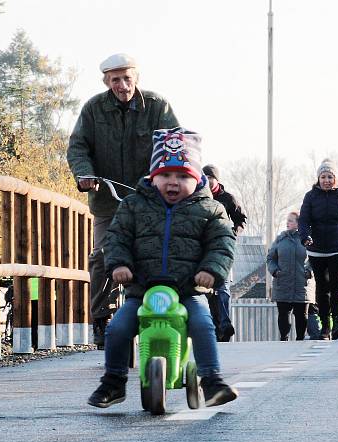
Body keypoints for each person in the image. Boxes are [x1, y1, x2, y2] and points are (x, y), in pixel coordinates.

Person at [87, 127, 238, 409]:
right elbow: (117, 237)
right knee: (118, 328)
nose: (173, 182)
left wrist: (211, 270)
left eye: (182, 176)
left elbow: (222, 243)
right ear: (153, 176)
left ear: (196, 179)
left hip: (186, 290)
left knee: (203, 324)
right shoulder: (134, 206)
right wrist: (119, 265)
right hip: (142, 290)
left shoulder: (210, 209)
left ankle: (212, 380)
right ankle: (113, 381)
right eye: (166, 174)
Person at [66, 53, 179, 347]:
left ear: (136, 78)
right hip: (108, 199)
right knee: (102, 256)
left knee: (156, 253)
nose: (122, 85)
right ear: (106, 81)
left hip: (149, 199)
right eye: (115, 79)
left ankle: (157, 311)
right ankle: (102, 319)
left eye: (127, 78)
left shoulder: (157, 106)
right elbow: (78, 147)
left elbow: (174, 144)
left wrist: (164, 178)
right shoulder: (93, 109)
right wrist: (85, 174)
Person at [298, 159, 338, 340]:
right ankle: (325, 326)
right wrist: (305, 237)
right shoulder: (310, 196)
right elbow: (303, 220)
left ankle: (337, 325)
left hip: (337, 249)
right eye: (323, 176)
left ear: (335, 178)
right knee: (322, 289)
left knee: (336, 287)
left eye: (330, 176)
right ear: (318, 178)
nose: (326, 180)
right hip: (316, 249)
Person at [203, 164, 247, 342]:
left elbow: (241, 219)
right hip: (204, 248)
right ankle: (215, 327)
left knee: (223, 288)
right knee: (207, 291)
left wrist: (233, 233)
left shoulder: (228, 199)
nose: (207, 180)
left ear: (217, 180)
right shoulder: (198, 196)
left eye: (210, 177)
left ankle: (225, 325)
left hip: (223, 248)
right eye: (204, 177)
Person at [266, 211, 316, 341]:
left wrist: (309, 271)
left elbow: (315, 258)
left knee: (301, 316)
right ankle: (284, 339)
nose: (287, 223)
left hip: (302, 284)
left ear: (299, 223)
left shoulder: (308, 239)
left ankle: (300, 340)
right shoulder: (280, 239)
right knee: (283, 315)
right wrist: (275, 271)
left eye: (291, 220)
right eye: (287, 220)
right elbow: (271, 258)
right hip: (283, 282)